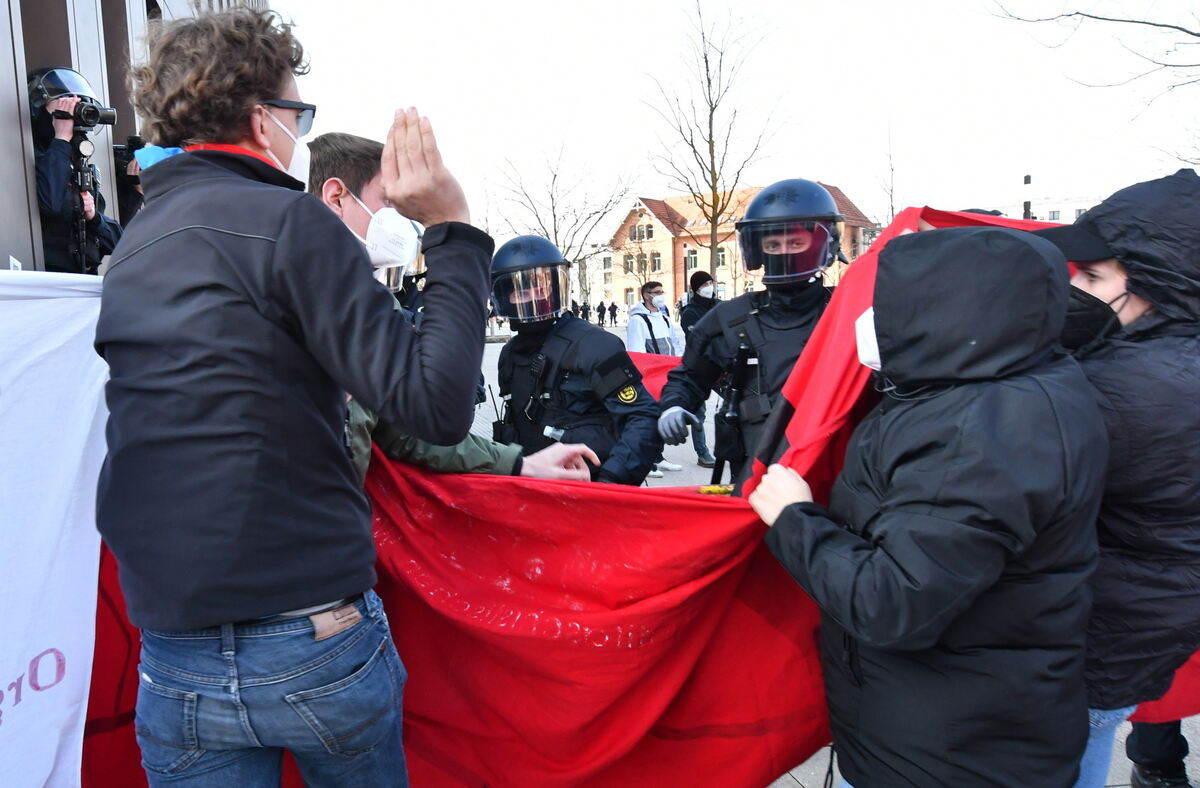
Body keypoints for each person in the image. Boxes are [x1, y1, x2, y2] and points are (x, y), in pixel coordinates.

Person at [93, 9, 490, 786]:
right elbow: (435, 406)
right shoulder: (290, 224)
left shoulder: (132, 247)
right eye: (296, 112)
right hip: (312, 634)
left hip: (174, 648)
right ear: (259, 118)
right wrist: (451, 229)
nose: (298, 133)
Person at [749, 226, 1109, 788]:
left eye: (889, 304)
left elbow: (894, 602)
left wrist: (796, 520)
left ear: (951, 310)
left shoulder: (982, 431)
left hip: (950, 753)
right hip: (951, 725)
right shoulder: (1005, 382)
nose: (873, 321)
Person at [1033, 169, 1200, 788]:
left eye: (1096, 276)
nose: (1076, 286)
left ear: (1160, 286)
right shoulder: (1160, 362)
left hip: (1088, 638)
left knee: (1069, 749)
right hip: (1136, 633)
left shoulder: (1124, 385)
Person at [308, 131, 597, 484]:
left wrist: (520, 463)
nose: (404, 220)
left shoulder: (371, 308)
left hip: (337, 526)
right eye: (391, 203)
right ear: (337, 197)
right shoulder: (270, 295)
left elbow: (410, 430)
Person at [657, 178, 836, 484]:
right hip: (757, 475)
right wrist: (673, 406)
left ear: (823, 243)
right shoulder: (730, 319)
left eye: (796, 243)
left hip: (836, 470)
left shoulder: (848, 312)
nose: (784, 254)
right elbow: (689, 376)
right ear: (757, 250)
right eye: (772, 245)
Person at [492, 235, 663, 485]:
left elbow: (643, 419)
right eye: (522, 291)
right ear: (504, 297)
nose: (534, 298)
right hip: (530, 490)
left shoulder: (594, 345)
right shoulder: (509, 355)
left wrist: (612, 480)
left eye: (542, 287)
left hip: (590, 491)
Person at [27, 67, 122, 273]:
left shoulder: (78, 166)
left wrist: (94, 217)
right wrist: (60, 138)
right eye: (64, 112)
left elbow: (117, 241)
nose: (71, 120)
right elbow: (51, 204)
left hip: (82, 280)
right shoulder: (35, 158)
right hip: (49, 282)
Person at [626, 281, 684, 476]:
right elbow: (636, 351)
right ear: (646, 295)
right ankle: (646, 461)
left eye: (662, 291)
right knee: (648, 418)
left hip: (666, 373)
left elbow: (674, 342)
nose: (661, 295)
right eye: (656, 292)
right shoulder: (638, 320)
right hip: (650, 376)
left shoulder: (664, 317)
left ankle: (658, 457)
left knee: (661, 415)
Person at [679, 270, 719, 468]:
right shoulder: (689, 312)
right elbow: (699, 340)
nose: (709, 287)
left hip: (723, 365)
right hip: (700, 367)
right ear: (696, 289)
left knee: (734, 407)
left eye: (710, 283)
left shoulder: (719, 306)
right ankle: (702, 453)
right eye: (704, 285)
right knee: (698, 413)